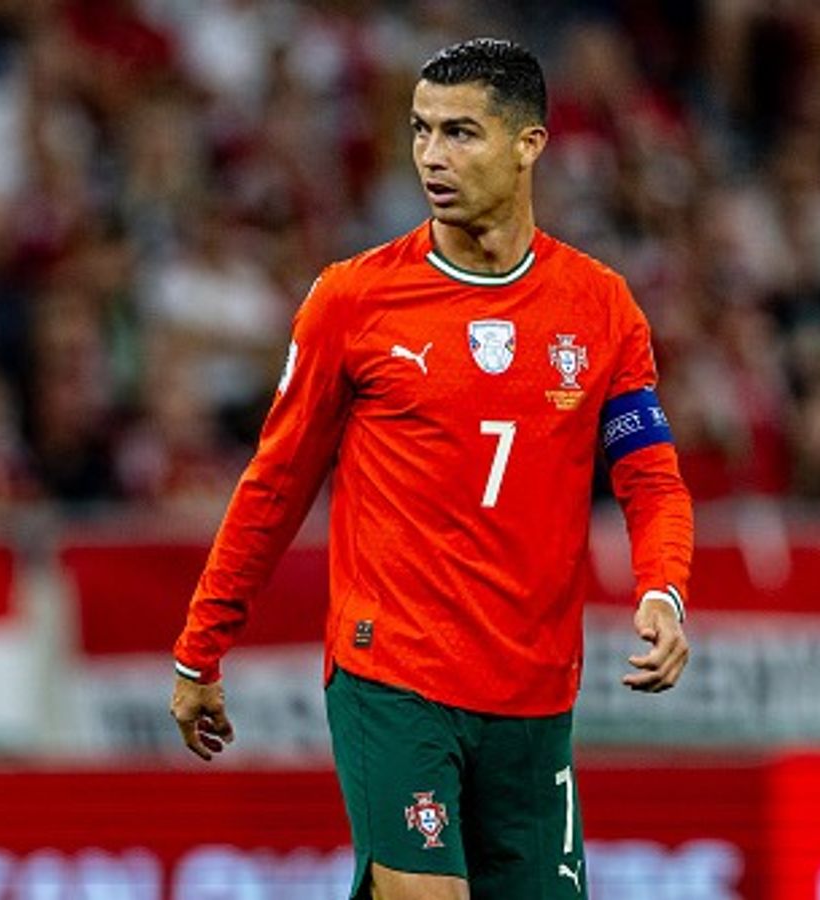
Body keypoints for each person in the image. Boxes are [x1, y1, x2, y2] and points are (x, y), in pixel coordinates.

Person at [170, 38, 694, 899]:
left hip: (533, 691)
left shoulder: (599, 307)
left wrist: (662, 587)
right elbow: (275, 484)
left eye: (460, 134)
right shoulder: (354, 300)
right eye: (420, 131)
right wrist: (200, 648)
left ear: (529, 144)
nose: (430, 156)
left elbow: (651, 476)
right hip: (395, 671)